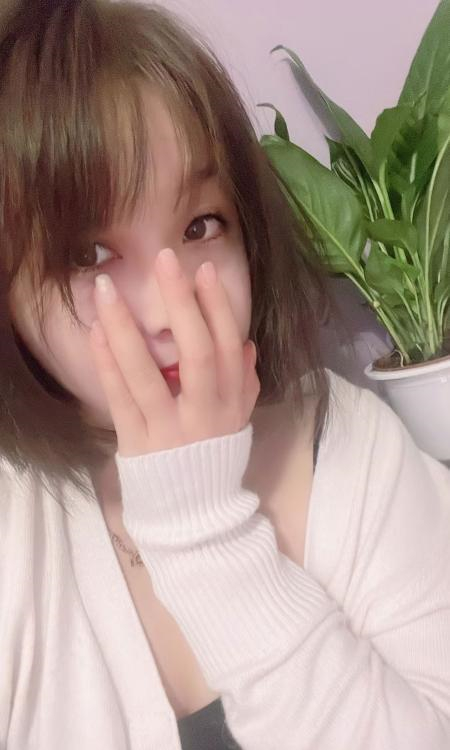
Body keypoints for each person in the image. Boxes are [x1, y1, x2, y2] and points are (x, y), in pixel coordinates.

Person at [0, 1, 449, 748]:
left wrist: (202, 530)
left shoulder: (354, 449)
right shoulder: (19, 523)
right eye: (87, 255)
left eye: (200, 225)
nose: (169, 310)